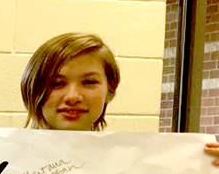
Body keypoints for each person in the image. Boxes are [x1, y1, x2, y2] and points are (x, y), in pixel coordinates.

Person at [22, 31, 219, 165]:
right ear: (32, 88)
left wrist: (209, 173)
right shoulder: (2, 160)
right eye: (56, 83)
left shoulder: (139, 163)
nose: (73, 96)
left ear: (110, 89)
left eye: (89, 82)